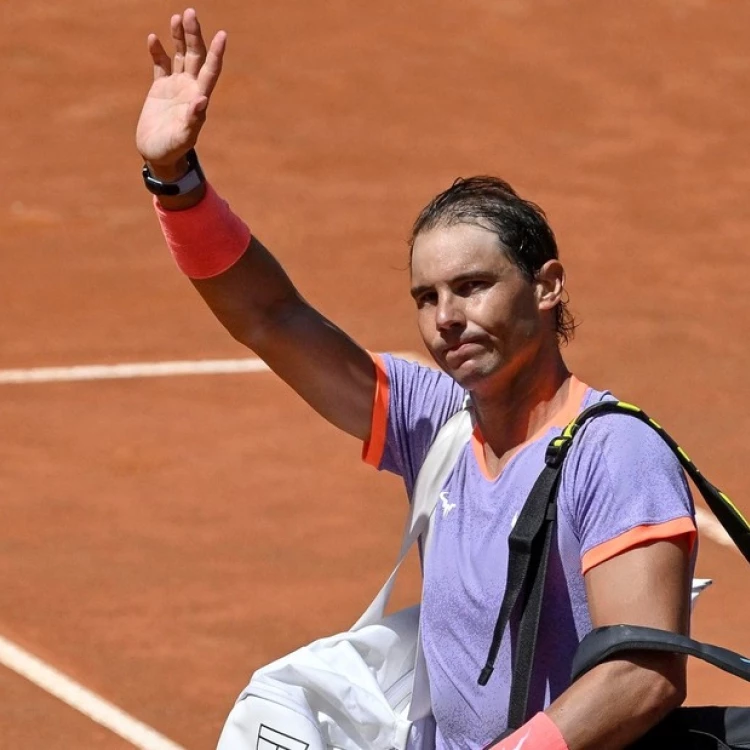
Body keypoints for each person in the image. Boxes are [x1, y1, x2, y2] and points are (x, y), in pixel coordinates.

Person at [135, 9, 697, 750]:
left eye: (472, 287)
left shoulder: (613, 455)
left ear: (548, 286)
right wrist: (176, 182)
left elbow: (643, 672)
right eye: (426, 298)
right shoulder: (438, 421)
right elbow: (270, 316)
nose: (446, 318)